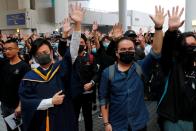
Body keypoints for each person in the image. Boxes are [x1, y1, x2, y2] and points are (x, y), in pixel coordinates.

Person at [18, 3, 85, 131]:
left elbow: (73, 51)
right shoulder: (29, 78)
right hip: (39, 122)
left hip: (62, 119)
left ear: (51, 52)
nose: (43, 55)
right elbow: (27, 102)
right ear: (34, 56)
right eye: (39, 54)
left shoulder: (60, 68)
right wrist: (50, 102)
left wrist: (77, 25)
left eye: (46, 52)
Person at [99, 5, 166, 131]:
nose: (127, 51)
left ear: (134, 51)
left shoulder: (141, 67)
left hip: (139, 123)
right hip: (117, 125)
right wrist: (106, 123)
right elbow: (104, 99)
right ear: (117, 53)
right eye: (123, 50)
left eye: (130, 49)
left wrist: (158, 28)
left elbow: (156, 52)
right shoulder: (107, 73)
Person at [157, 6, 196, 131]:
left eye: (194, 45)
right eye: (187, 45)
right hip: (174, 121)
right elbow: (166, 52)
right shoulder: (172, 65)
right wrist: (171, 32)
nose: (191, 48)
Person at [0, 39, 30, 131]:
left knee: (24, 127)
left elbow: (26, 88)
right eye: (5, 49)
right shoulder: (4, 63)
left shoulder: (23, 66)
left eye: (10, 49)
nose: (7, 51)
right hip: (5, 104)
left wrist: (20, 105)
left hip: (18, 105)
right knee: (11, 128)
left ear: (17, 49)